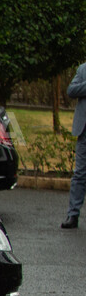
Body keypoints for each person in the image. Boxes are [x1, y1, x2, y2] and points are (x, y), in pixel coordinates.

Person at [62, 60, 86, 229]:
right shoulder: (83, 69)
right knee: (79, 174)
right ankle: (73, 215)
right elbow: (71, 91)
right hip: (84, 130)